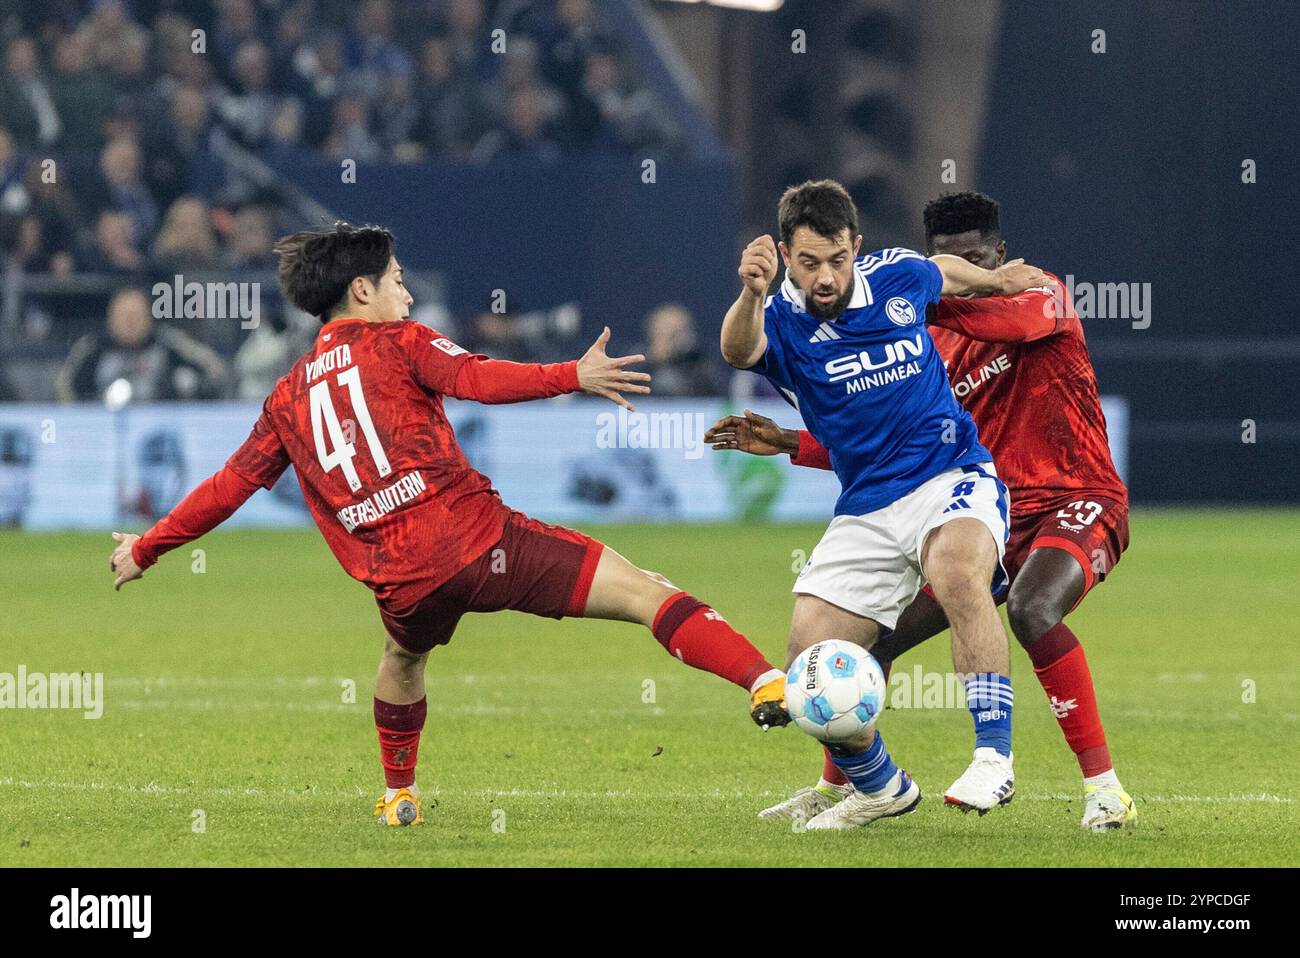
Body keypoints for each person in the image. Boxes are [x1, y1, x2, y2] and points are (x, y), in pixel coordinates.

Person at [107, 223, 788, 827]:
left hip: (401, 581)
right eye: (399, 282)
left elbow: (230, 486)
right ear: (363, 291)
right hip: (478, 543)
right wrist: (570, 374)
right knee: (645, 590)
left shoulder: (287, 396)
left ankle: (399, 795)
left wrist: (149, 546)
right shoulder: (399, 342)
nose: (407, 295)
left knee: (402, 658)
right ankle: (764, 680)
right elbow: (479, 379)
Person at [708, 190, 1135, 831]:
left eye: (976, 256)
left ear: (999, 252)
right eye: (809, 263)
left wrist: (963, 286)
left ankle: (1096, 786)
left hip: (1069, 497)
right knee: (863, 643)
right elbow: (878, 426)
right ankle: (857, 787)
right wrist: (793, 439)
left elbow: (994, 311)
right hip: (946, 510)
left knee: (1029, 608)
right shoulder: (917, 322)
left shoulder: (1036, 292)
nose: (825, 275)